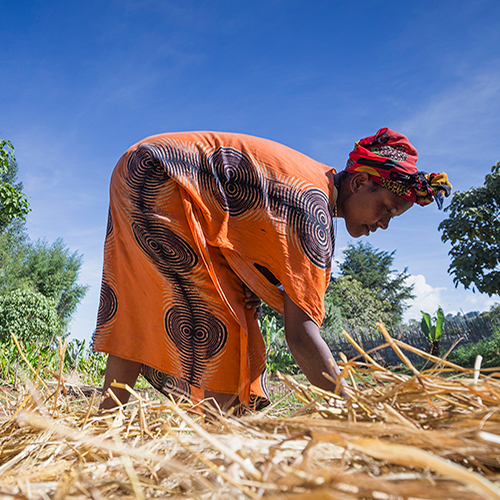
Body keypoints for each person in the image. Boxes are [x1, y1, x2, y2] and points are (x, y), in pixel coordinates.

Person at [93, 128, 451, 411]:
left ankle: (104, 423)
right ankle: (220, 444)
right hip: (161, 176)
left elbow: (247, 250)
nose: (384, 224)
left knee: (142, 309)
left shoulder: (312, 190)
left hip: (144, 167)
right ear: (359, 183)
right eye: (385, 209)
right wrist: (354, 406)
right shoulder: (313, 209)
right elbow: (301, 335)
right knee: (226, 324)